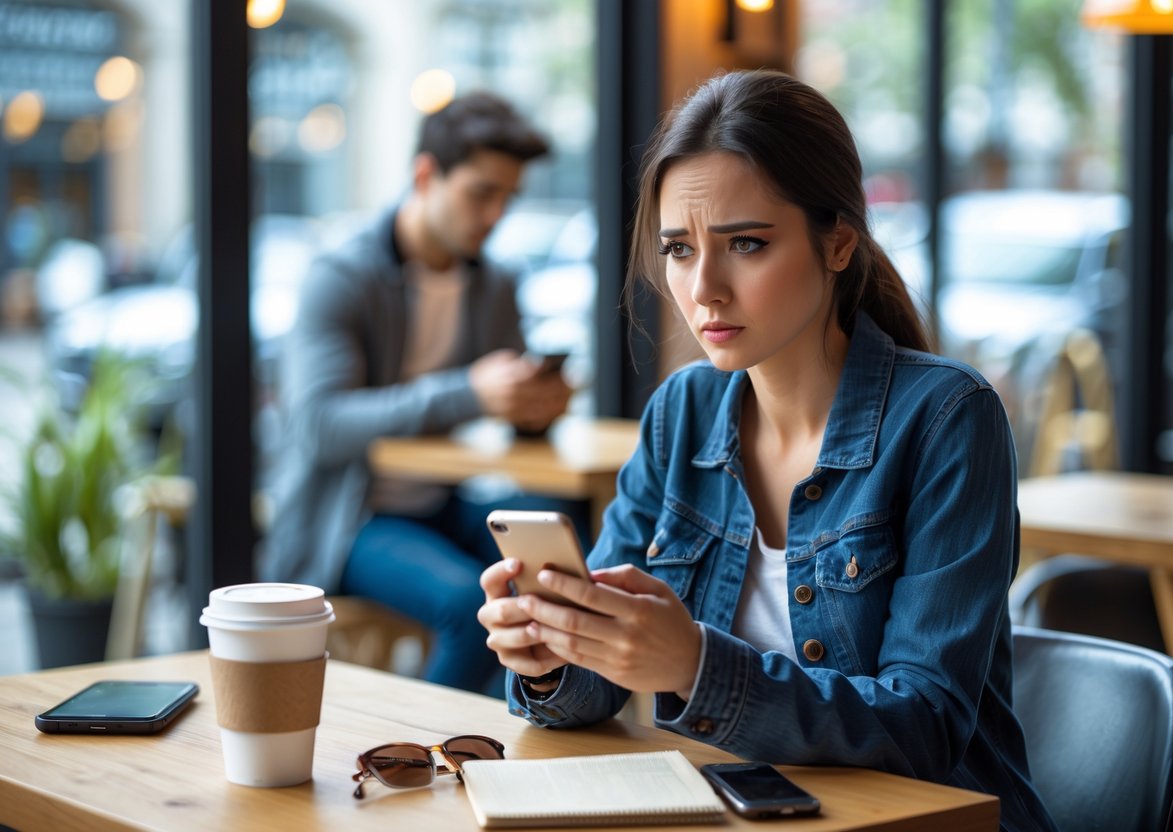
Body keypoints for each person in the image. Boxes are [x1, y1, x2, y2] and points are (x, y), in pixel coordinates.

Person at [477, 70, 1057, 831]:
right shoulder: (681, 412)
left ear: (838, 242)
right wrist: (557, 655)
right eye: (678, 250)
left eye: (745, 244)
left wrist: (693, 666)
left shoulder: (948, 416)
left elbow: (925, 728)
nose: (704, 288)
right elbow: (600, 695)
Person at [261, 91, 576, 694]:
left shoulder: (495, 284)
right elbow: (319, 427)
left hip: (439, 502)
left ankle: (524, 734)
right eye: (482, 193)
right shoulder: (341, 276)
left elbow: (500, 408)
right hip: (347, 519)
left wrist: (533, 404)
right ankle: (437, 756)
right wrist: (471, 393)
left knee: (563, 570)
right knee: (469, 605)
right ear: (426, 174)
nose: (495, 215)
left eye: (508, 198)